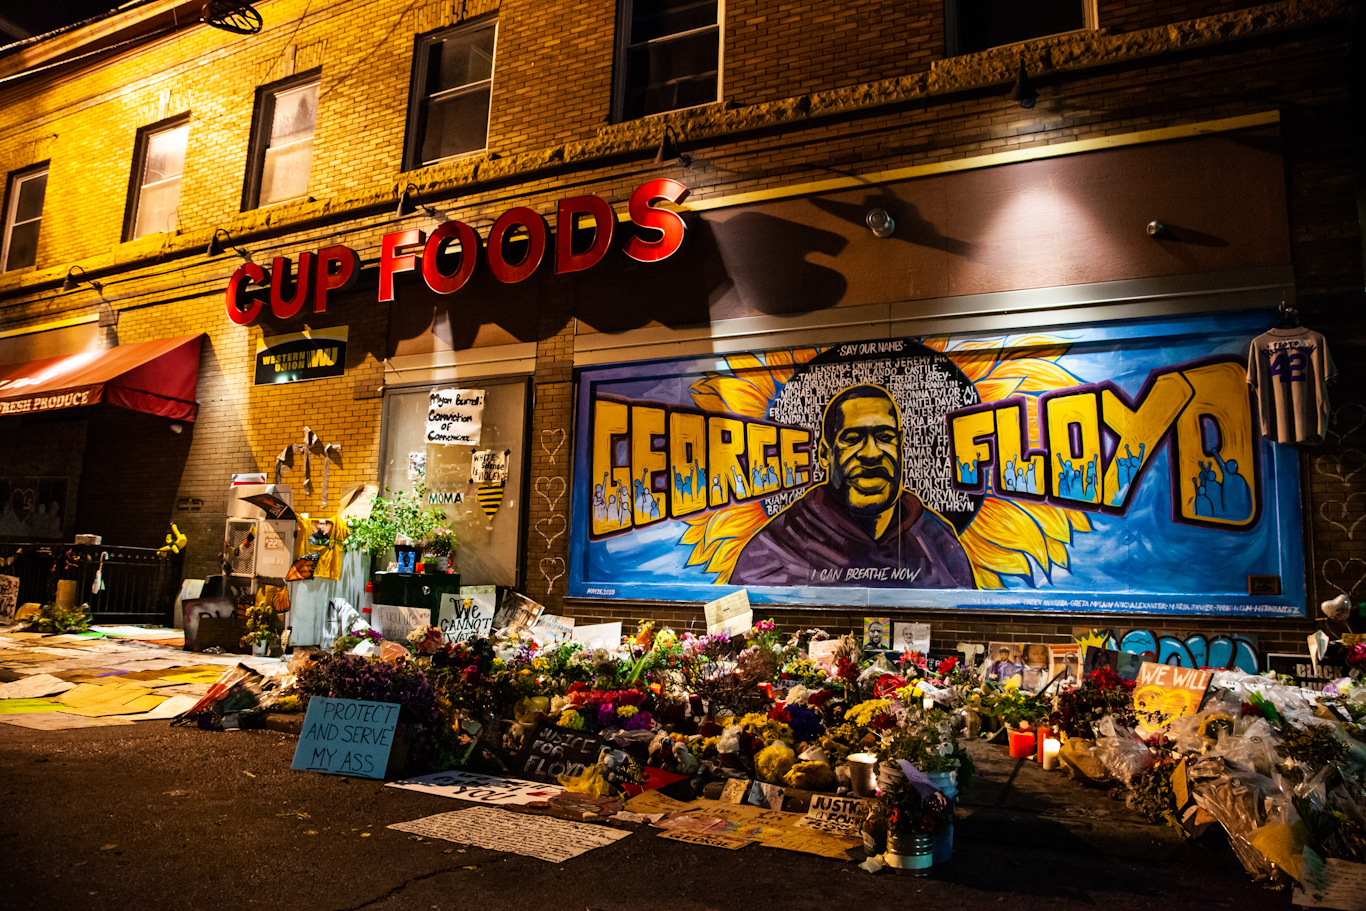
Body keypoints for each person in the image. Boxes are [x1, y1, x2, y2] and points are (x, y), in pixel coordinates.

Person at [729, 384, 974, 588]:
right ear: (825, 454)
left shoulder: (938, 542)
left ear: (900, 447)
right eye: (852, 439)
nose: (871, 454)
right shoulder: (774, 549)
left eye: (885, 437)